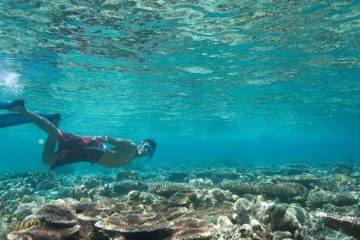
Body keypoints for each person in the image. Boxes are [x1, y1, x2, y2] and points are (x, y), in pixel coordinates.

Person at [9, 100, 156, 169]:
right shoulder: (131, 146)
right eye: (146, 146)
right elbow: (108, 139)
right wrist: (88, 139)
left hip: (87, 156)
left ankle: (54, 121)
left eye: (149, 150)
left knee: (47, 159)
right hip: (93, 149)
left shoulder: (133, 157)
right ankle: (22, 110)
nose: (146, 150)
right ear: (141, 142)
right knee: (57, 134)